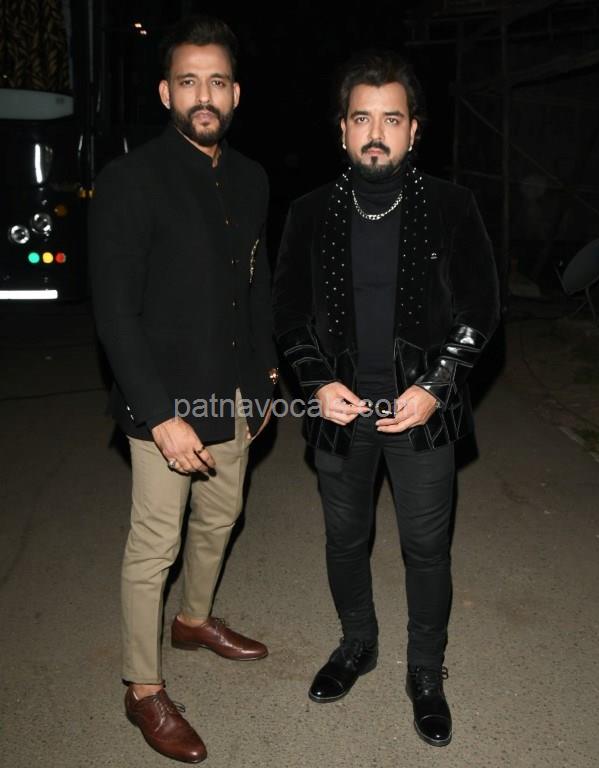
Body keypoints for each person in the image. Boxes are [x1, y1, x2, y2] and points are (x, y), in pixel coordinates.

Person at [272, 50, 499, 747]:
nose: (376, 133)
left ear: (414, 129)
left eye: (391, 119)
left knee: (426, 548)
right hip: (340, 413)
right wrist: (316, 382)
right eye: (362, 118)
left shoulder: (453, 207)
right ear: (342, 128)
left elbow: (481, 311)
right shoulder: (310, 212)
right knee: (346, 539)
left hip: (420, 413)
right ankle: (357, 645)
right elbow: (288, 316)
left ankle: (425, 672)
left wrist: (435, 387)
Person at [89, 16, 277, 764]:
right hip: (164, 402)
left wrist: (265, 378)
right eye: (189, 81)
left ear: (236, 93)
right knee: (155, 543)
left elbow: (255, 284)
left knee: (222, 515)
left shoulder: (253, 178)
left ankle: (193, 620)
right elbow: (115, 314)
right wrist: (160, 416)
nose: (205, 95)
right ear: (167, 92)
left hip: (231, 390)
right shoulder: (130, 180)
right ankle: (142, 688)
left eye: (218, 81)